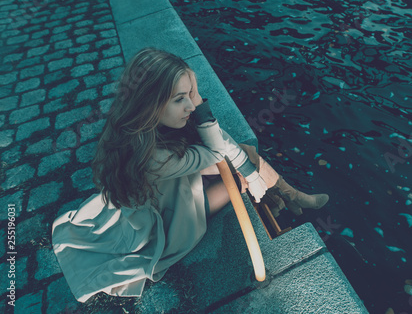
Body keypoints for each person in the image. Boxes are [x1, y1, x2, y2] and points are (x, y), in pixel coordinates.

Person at [51, 48, 329, 302]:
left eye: (191, 95)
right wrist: (251, 174)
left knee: (245, 156)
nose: (191, 106)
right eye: (180, 99)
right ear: (151, 103)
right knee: (242, 175)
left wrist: (190, 92)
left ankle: (289, 198)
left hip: (168, 189)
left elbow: (225, 147)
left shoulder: (139, 127)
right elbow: (219, 149)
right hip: (170, 219)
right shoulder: (153, 157)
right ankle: (285, 201)